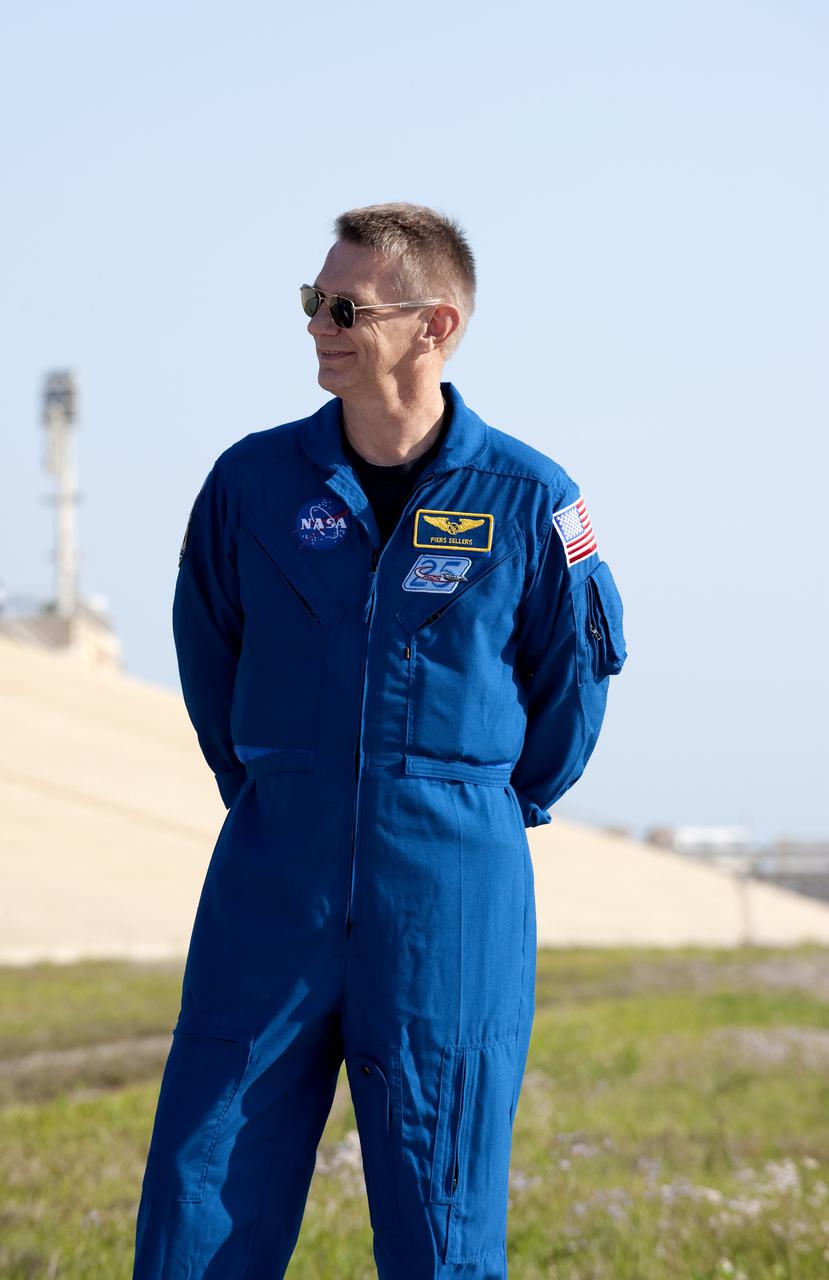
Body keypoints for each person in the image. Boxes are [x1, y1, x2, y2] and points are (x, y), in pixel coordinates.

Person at [132, 202, 627, 1279]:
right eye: (312, 300)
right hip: (273, 887)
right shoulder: (250, 487)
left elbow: (570, 695)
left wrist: (466, 805)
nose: (318, 322)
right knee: (198, 1202)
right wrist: (284, 790)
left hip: (449, 900)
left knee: (442, 1218)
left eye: (344, 305)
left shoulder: (531, 501)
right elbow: (206, 655)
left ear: (433, 324)